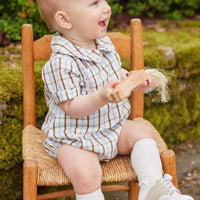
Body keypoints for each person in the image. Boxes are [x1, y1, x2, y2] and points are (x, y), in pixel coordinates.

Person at [37, 0, 194, 200]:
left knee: (143, 132)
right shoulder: (59, 63)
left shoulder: (103, 44)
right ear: (65, 20)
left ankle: (153, 190)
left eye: (104, 1)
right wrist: (101, 96)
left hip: (112, 127)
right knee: (86, 175)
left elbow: (113, 73)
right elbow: (71, 107)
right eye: (95, 3)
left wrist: (132, 82)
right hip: (74, 138)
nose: (106, 7)